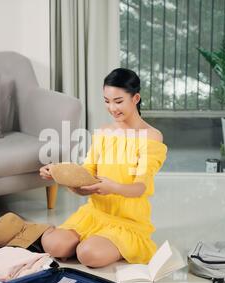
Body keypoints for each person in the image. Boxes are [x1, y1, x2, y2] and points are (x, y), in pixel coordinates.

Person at [39, 68, 168, 268]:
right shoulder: (104, 132)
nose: (112, 108)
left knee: (88, 255)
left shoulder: (151, 136)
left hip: (128, 222)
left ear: (135, 98)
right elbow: (87, 174)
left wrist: (112, 187)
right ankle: (73, 240)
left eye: (118, 101)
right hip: (94, 213)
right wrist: (60, 174)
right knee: (53, 246)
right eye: (107, 101)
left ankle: (94, 244)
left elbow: (140, 188)